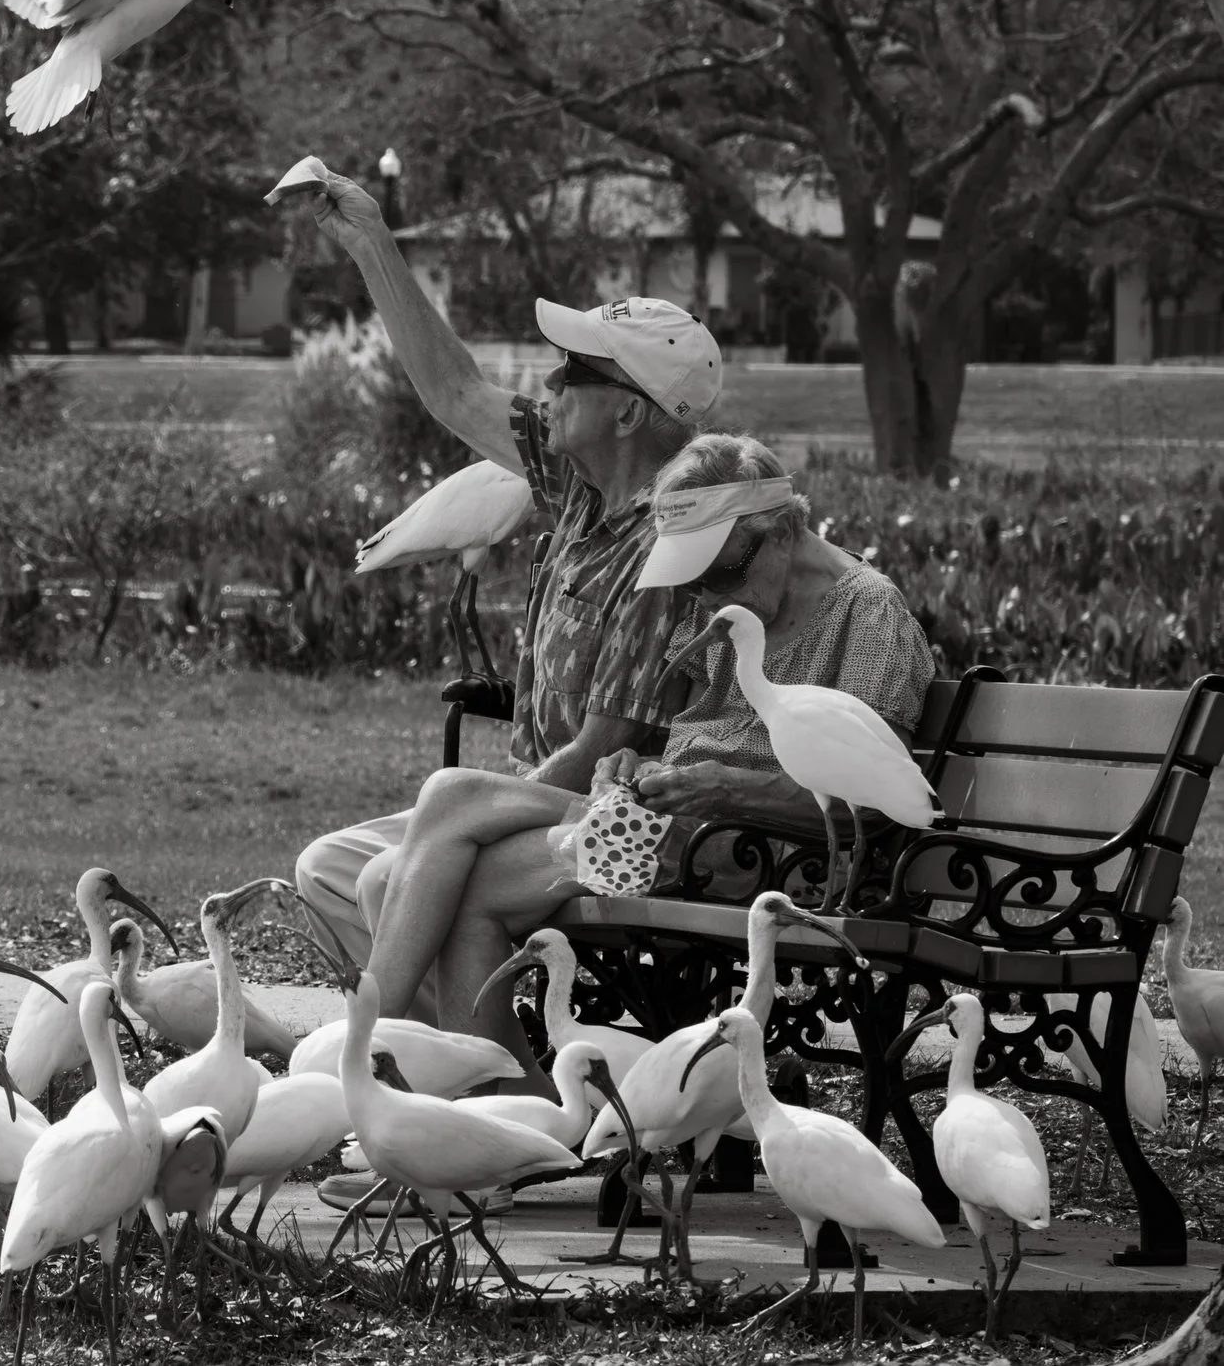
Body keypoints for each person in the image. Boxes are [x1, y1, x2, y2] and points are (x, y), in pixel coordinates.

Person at [315, 433, 937, 1210]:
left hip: (761, 854)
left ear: (779, 527)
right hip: (674, 825)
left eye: (721, 568)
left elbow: (874, 800)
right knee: (449, 812)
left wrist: (728, 789)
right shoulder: (732, 608)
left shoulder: (866, 609)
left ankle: (412, 1111)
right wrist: (630, 764)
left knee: (453, 841)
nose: (706, 590)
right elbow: (677, 732)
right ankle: (484, 1133)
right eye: (697, 574)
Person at [287, 161, 719, 992]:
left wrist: (469, 815)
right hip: (524, 802)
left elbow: (603, 751)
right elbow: (453, 389)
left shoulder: (667, 545)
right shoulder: (577, 488)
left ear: (629, 413)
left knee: (390, 880)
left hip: (596, 815)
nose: (549, 383)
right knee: (328, 867)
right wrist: (372, 241)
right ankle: (442, 1057)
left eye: (576, 373)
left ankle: (432, 1078)